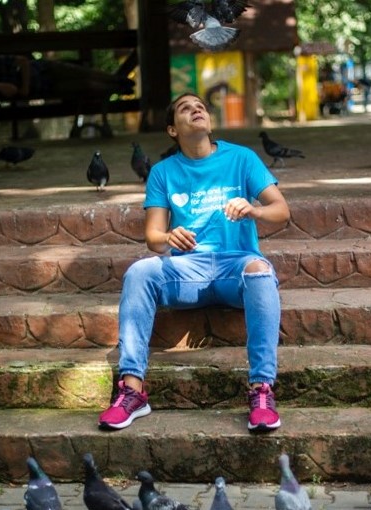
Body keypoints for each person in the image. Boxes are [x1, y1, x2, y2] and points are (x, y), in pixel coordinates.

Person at [97, 92, 290, 433]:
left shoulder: (242, 158)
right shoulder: (163, 172)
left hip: (236, 267)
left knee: (260, 272)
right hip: (188, 272)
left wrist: (254, 209)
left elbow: (282, 211)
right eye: (186, 108)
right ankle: (132, 391)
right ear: (173, 130)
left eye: (200, 106)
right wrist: (169, 237)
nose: (196, 110)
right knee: (139, 272)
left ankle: (261, 390)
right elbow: (153, 237)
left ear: (209, 121)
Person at [0, 54, 134, 100]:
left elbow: (23, 61)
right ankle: (118, 89)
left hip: (45, 69)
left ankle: (118, 80)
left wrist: (25, 85)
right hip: (47, 87)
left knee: (84, 72)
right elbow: (12, 89)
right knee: (86, 85)